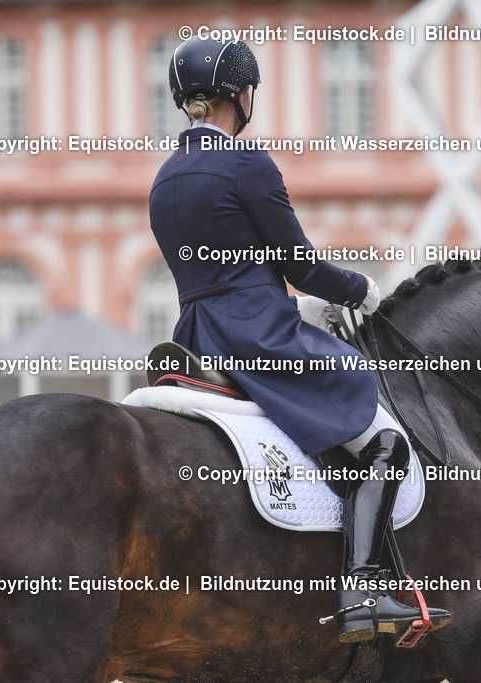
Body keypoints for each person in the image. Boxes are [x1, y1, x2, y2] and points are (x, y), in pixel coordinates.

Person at [149, 36, 450, 643]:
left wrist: (299, 306)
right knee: (383, 435)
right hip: (259, 336)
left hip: (199, 337)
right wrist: (357, 288)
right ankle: (362, 587)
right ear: (240, 93)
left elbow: (224, 273)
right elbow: (302, 264)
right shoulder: (246, 162)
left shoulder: (164, 178)